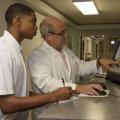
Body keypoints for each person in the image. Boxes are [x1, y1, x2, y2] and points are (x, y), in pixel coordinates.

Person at [28, 16, 120, 119]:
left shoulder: (65, 50)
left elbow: (79, 66)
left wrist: (99, 61)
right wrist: (78, 88)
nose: (66, 36)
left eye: (65, 32)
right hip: (48, 112)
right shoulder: (37, 55)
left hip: (68, 107)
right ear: (48, 36)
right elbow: (46, 83)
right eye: (62, 33)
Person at [0, 4, 73, 120]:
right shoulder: (3, 51)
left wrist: (55, 96)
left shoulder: (15, 50)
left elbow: (21, 94)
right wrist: (53, 96)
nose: (36, 27)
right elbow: (6, 105)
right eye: (33, 22)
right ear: (18, 21)